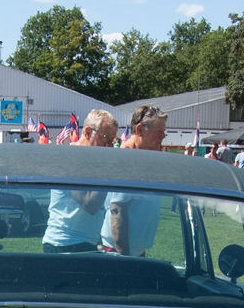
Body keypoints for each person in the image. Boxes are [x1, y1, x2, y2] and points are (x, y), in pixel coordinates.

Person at [42, 109, 118, 252]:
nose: (109, 146)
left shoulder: (91, 162)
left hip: (86, 242)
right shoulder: (70, 159)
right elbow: (89, 204)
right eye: (106, 139)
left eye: (112, 141)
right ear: (88, 132)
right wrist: (107, 170)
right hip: (64, 244)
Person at [99, 105, 167, 257]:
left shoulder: (140, 159)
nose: (162, 137)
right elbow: (117, 210)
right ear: (140, 130)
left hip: (134, 251)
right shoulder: (127, 161)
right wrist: (126, 259)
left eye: (164, 133)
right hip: (120, 252)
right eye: (158, 132)